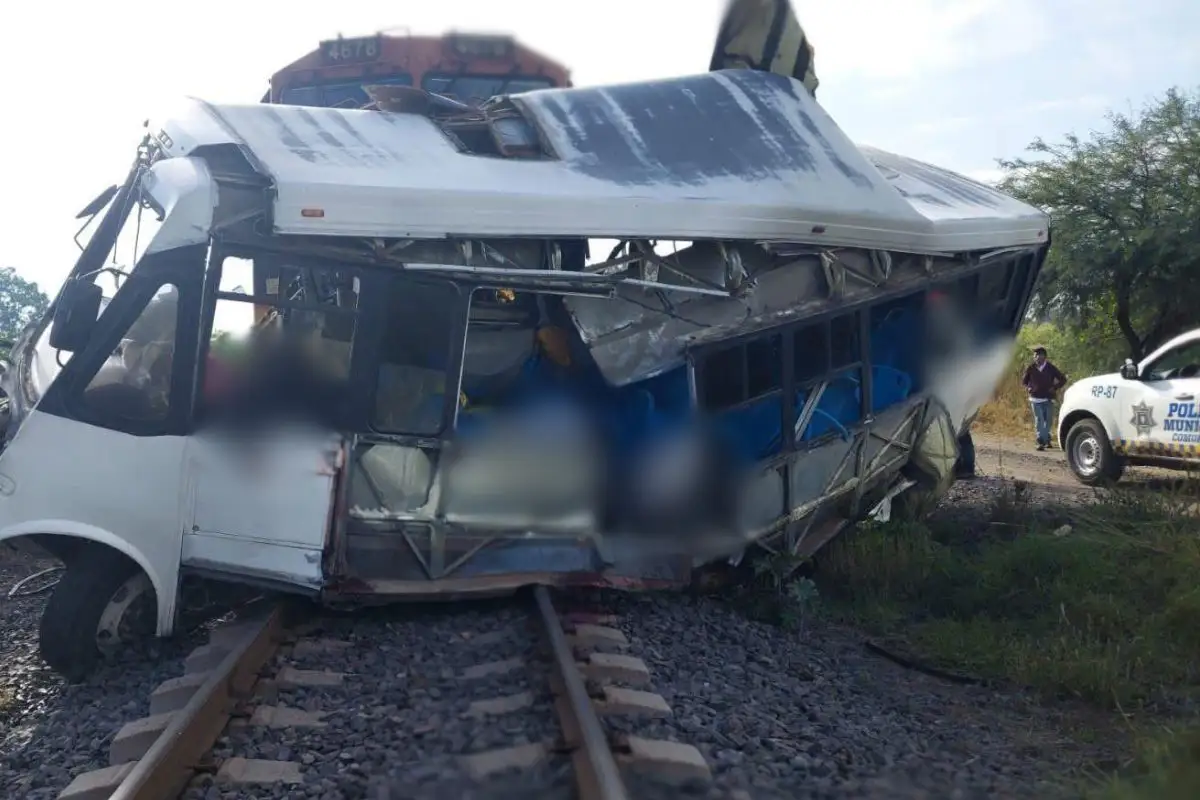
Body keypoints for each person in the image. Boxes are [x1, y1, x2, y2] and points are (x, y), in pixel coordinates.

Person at [1021, 346, 1067, 450]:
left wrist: (1054, 387)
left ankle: (1047, 439)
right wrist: (1028, 387)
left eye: (1039, 355)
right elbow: (1024, 381)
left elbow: (1063, 379)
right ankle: (1040, 441)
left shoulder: (1050, 368)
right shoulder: (1031, 368)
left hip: (1048, 398)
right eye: (1035, 355)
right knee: (1039, 420)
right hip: (1035, 398)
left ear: (1044, 357)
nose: (1037, 357)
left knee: (1048, 421)